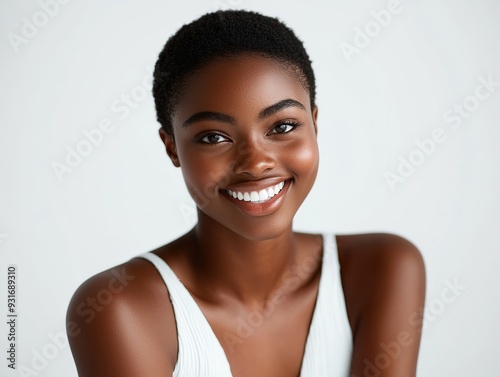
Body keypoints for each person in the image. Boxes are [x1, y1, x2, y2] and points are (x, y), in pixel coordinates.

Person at [66, 9, 425, 377]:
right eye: (213, 137)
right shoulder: (120, 307)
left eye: (283, 126)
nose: (255, 163)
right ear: (172, 148)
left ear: (314, 124)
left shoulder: (381, 268)